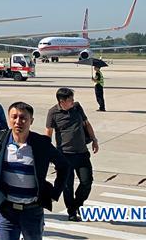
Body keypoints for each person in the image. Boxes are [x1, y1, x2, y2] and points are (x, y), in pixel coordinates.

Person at [0, 102, 71, 240]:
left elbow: (64, 166)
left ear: (31, 121)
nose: (18, 121)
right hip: (5, 210)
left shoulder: (41, 143)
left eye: (23, 118)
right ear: (9, 118)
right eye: (14, 117)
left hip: (32, 211)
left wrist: (55, 192)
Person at [45, 88, 99, 221]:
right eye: (70, 100)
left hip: (82, 153)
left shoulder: (77, 107)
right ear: (62, 101)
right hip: (64, 156)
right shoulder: (53, 113)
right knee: (67, 186)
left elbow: (86, 124)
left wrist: (94, 139)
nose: (73, 102)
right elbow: (48, 134)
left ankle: (77, 204)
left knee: (87, 181)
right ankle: (72, 212)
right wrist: (49, 154)